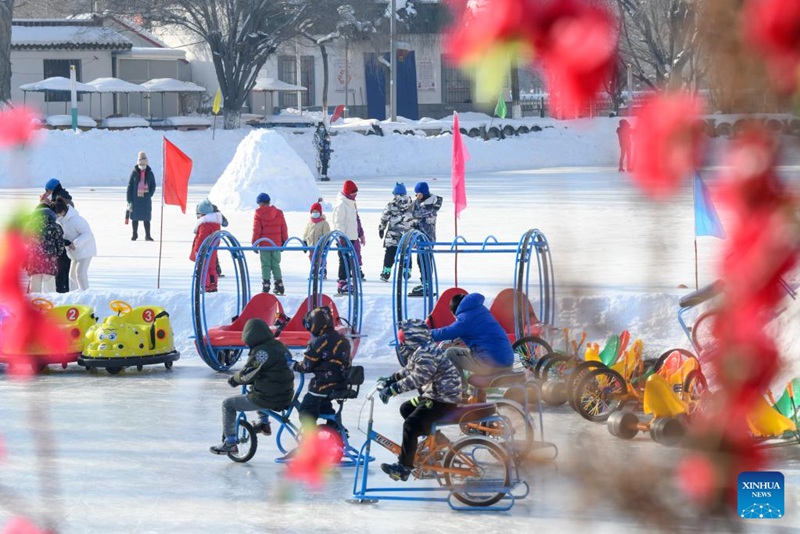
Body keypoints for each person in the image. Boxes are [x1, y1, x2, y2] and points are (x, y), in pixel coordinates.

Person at [377, 319, 463, 481]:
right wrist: (390, 380)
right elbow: (409, 370)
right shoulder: (422, 350)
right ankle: (438, 439)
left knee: (411, 425)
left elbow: (418, 378)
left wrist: (393, 389)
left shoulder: (426, 353)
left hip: (443, 400)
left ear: (413, 339)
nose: (402, 345)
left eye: (404, 341)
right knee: (406, 409)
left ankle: (404, 467)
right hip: (436, 396)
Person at [210, 318, 295, 455]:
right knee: (256, 384)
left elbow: (246, 374)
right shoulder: (279, 346)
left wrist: (234, 380)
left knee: (228, 405)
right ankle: (264, 424)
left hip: (269, 398)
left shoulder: (262, 353)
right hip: (285, 393)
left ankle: (230, 443)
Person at [430, 292, 515, 377]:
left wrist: (424, 333)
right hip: (508, 360)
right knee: (472, 352)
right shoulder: (481, 309)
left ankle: (460, 388)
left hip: (491, 365)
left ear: (454, 312)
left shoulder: (464, 319)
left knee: (450, 353)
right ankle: (479, 389)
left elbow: (447, 332)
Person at [293, 306, 351, 429]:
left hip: (323, 385)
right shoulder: (343, 340)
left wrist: (294, 366)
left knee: (306, 409)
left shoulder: (318, 342)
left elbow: (306, 366)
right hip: (341, 384)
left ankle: (311, 438)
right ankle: (334, 426)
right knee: (323, 405)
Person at [52, 198, 96, 291]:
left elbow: (87, 234)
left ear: (63, 211)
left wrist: (75, 244)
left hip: (85, 251)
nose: (56, 216)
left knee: (80, 273)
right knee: (72, 275)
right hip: (75, 253)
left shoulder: (76, 220)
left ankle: (86, 293)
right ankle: (75, 294)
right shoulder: (61, 222)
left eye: (57, 214)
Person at [409, 181, 443, 296]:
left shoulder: (432, 204)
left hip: (427, 237)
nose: (416, 196)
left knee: (425, 260)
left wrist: (414, 212)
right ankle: (424, 283)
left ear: (423, 193)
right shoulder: (420, 202)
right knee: (420, 260)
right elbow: (412, 214)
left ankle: (427, 284)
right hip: (419, 237)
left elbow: (417, 214)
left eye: (418, 194)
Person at [41, 178, 73, 293]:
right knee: (63, 268)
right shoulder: (62, 196)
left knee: (62, 267)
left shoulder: (61, 198)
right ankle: (63, 290)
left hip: (62, 236)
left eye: (48, 191)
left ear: (52, 189)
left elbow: (58, 216)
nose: (48, 193)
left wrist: (46, 205)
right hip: (62, 236)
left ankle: (62, 291)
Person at [252, 192, 288, 295]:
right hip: (276, 244)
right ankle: (279, 283)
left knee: (265, 265)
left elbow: (256, 230)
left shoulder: (258, 214)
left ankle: (266, 284)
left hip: (264, 245)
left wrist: (255, 243)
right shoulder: (279, 213)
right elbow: (283, 228)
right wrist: (284, 241)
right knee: (276, 264)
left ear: (261, 204)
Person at [332, 180, 363, 293]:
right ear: (347, 193)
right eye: (353, 193)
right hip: (344, 238)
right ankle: (342, 282)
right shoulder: (341, 204)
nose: (355, 195)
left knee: (350, 260)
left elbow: (356, 220)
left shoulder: (351, 203)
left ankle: (347, 280)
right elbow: (338, 222)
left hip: (352, 236)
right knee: (343, 259)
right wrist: (341, 237)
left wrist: (361, 234)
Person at [378, 182, 413, 282]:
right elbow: (415, 218)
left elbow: (384, 218)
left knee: (390, 253)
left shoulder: (391, 205)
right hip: (407, 235)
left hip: (393, 235)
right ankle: (407, 270)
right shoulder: (412, 205)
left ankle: (386, 271)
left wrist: (381, 228)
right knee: (407, 253)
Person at [25, 204, 64, 293]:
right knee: (49, 286)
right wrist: (56, 254)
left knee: (35, 285)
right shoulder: (55, 226)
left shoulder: (30, 225)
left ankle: (34, 304)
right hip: (49, 259)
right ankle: (52, 303)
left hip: (34, 260)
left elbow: (25, 240)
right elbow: (60, 244)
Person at [190, 199, 221, 293]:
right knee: (212, 268)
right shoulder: (215, 223)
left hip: (204, 250)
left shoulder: (205, 224)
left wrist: (197, 249)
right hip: (212, 250)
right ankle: (213, 285)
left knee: (203, 268)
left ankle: (205, 286)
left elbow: (201, 238)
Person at [126, 151, 156, 241]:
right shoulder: (134, 173)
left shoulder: (149, 173)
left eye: (144, 163)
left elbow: (153, 185)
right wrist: (129, 200)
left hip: (145, 200)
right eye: (141, 163)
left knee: (146, 218)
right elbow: (130, 186)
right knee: (135, 218)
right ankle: (134, 234)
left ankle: (148, 235)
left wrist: (149, 194)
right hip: (135, 200)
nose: (142, 165)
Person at [302, 201, 331, 278]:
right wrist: (304, 241)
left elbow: (327, 233)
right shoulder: (310, 223)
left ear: (320, 212)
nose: (315, 213)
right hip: (311, 245)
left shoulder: (324, 223)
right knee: (312, 257)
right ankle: (314, 268)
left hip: (320, 245)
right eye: (313, 211)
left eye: (317, 211)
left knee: (321, 257)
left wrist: (326, 241)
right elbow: (306, 232)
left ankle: (322, 269)